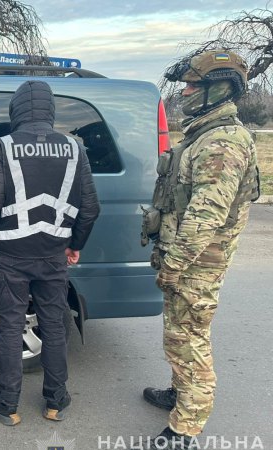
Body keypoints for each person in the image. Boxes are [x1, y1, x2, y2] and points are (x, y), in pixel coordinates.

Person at [0, 80, 100, 426]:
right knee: (53, 324)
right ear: (50, 110)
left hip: (13, 254)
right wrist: (75, 245)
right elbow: (91, 208)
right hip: (54, 253)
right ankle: (55, 401)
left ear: (17, 110)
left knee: (11, 325)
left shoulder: (3, 146)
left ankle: (7, 403)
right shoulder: (75, 149)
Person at [141, 50, 259, 450]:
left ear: (219, 88)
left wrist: (173, 265)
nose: (186, 92)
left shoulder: (223, 142)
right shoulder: (204, 133)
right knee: (178, 334)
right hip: (189, 260)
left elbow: (205, 216)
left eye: (194, 85)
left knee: (189, 340)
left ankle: (186, 429)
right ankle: (180, 394)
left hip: (197, 264)